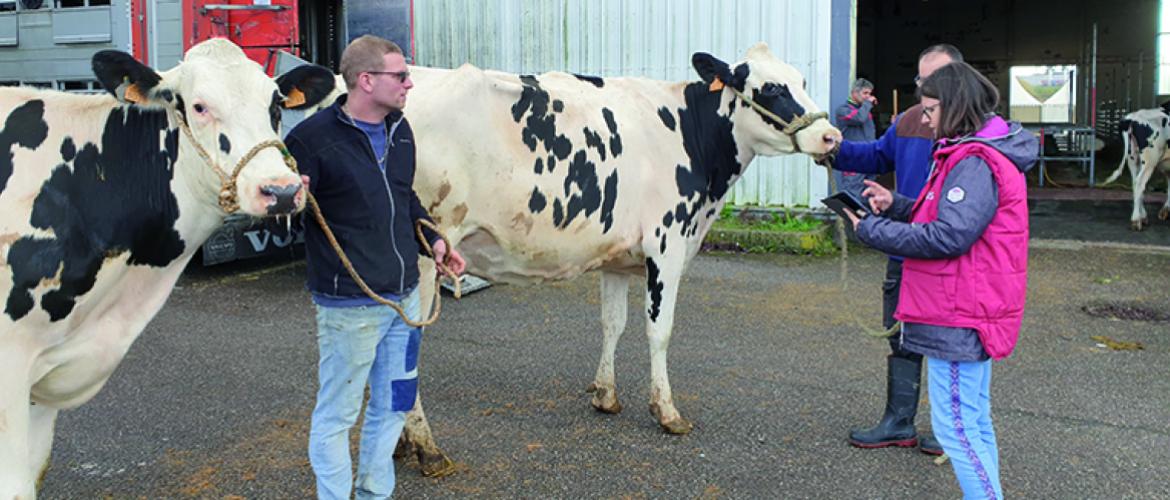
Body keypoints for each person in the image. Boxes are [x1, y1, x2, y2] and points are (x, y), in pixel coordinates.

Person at [285, 35, 466, 499]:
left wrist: (436, 242)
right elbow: (288, 220)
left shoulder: (400, 130)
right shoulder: (310, 140)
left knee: (394, 405)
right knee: (337, 415)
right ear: (366, 80)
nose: (409, 84)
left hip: (405, 298)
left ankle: (373, 493)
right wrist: (289, 200)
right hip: (349, 303)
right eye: (400, 75)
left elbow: (405, 199)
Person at [845, 61, 1036, 499]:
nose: (924, 118)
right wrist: (895, 204)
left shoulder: (974, 161)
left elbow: (950, 235)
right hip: (967, 307)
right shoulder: (975, 151)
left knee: (958, 431)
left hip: (958, 313)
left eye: (930, 109)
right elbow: (948, 216)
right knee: (973, 422)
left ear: (954, 107)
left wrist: (870, 230)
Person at [830, 44, 964, 456]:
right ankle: (899, 421)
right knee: (901, 335)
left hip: (946, 258)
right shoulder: (909, 121)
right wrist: (831, 148)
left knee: (948, 344)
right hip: (903, 250)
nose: (927, 87)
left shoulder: (972, 131)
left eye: (936, 79)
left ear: (960, 79)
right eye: (922, 80)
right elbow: (875, 154)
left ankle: (951, 430)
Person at [831, 78, 878, 199]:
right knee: (853, 194)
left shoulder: (865, 110)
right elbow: (859, 119)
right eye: (865, 93)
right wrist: (868, 104)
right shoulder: (843, 110)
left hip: (869, 158)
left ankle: (867, 218)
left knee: (869, 194)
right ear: (854, 93)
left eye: (870, 93)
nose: (868, 97)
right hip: (853, 159)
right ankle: (851, 218)